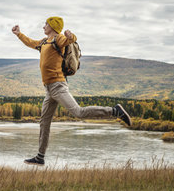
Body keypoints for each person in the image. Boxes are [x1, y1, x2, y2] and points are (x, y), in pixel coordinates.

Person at [12, 16, 132, 166]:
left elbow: (70, 40)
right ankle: (40, 157)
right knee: (44, 122)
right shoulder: (44, 42)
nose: (43, 27)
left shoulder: (59, 39)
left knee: (78, 112)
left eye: (46, 24)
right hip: (49, 90)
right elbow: (30, 42)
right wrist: (19, 34)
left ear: (53, 26)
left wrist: (71, 36)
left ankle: (114, 111)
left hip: (58, 86)